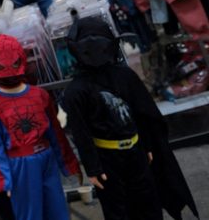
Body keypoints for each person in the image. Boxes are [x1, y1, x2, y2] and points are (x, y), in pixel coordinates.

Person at [61, 16, 198, 220]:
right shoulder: (76, 91)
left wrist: (148, 144)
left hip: (136, 152)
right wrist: (93, 167)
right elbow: (81, 133)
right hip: (108, 160)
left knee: (149, 204)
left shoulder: (123, 76)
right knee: (119, 211)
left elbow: (143, 113)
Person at [0, 34, 81, 220]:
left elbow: (56, 134)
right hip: (20, 163)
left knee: (57, 210)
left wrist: (68, 163)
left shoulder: (39, 95)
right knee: (30, 214)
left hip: (45, 158)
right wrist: (2, 180)